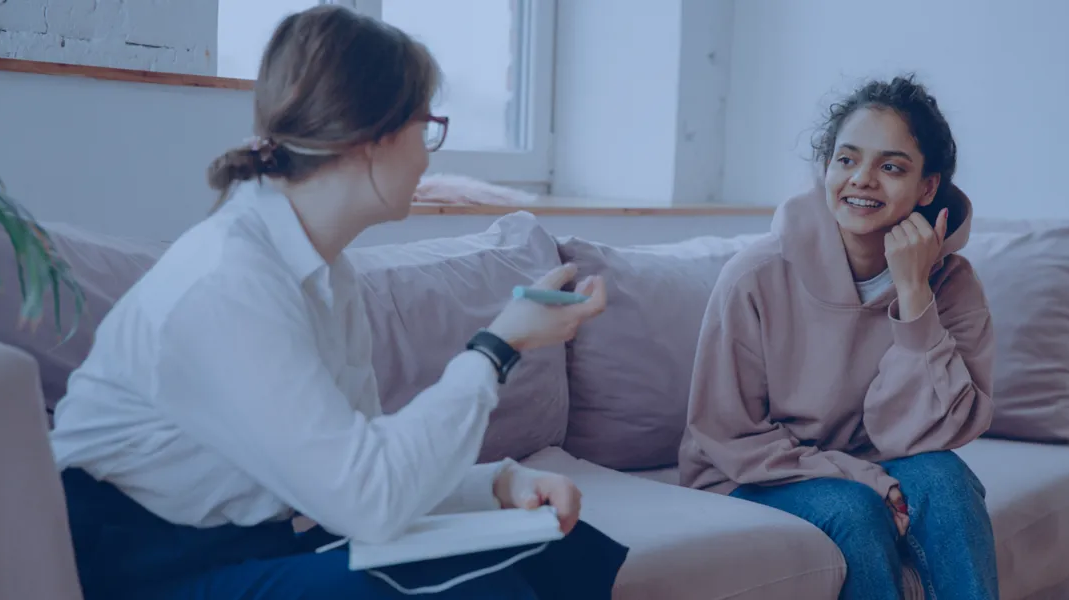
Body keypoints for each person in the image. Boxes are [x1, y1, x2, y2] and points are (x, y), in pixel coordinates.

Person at [49, 5, 628, 599]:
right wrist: (497, 346)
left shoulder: (326, 273)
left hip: (244, 544)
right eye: (425, 127)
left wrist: (499, 486)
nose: (429, 156)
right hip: (139, 568)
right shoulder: (229, 282)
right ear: (369, 137)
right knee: (472, 588)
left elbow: (368, 470)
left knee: (553, 544)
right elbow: (370, 503)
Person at [678, 75, 999, 600]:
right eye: (847, 160)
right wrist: (865, 478)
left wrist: (915, 295)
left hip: (879, 460)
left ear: (927, 187)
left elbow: (939, 433)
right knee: (855, 510)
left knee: (946, 480)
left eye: (891, 166)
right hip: (751, 475)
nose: (863, 180)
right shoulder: (754, 276)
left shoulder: (953, 285)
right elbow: (727, 434)